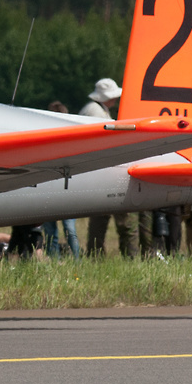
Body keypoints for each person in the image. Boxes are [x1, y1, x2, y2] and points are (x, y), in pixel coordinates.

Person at [81, 78, 136, 256]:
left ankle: (94, 255)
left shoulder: (90, 109)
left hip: (97, 172)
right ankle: (130, 256)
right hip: (107, 172)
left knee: (99, 221)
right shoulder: (97, 113)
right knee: (124, 221)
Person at [43, 101, 81, 258]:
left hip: (66, 190)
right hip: (51, 189)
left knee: (68, 229)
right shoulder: (45, 140)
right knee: (53, 230)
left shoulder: (72, 141)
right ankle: (55, 260)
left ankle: (77, 259)